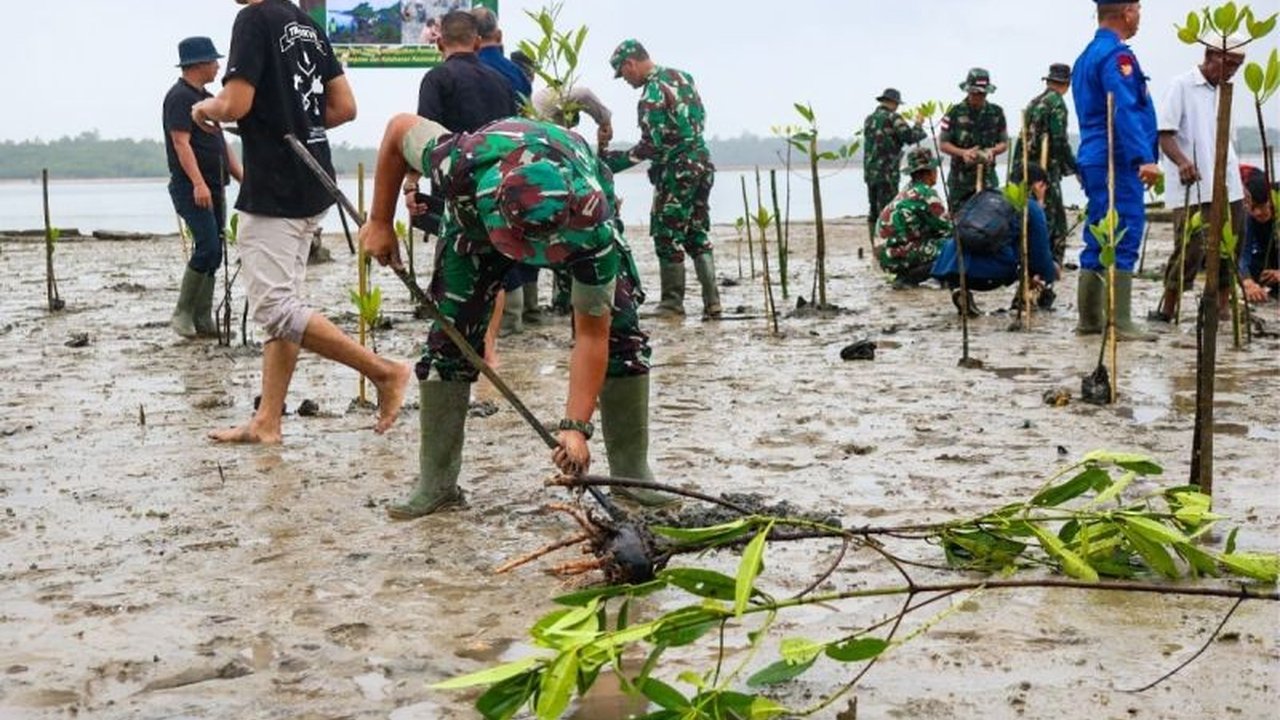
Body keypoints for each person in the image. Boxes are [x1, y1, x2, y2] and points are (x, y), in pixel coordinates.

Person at [360, 114, 660, 517]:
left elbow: (592, 336)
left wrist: (575, 427)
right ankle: (437, 483)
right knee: (450, 338)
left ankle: (631, 474)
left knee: (623, 333)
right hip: (475, 229)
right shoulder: (460, 162)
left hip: (574, 219)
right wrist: (380, 221)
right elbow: (398, 129)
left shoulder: (592, 221)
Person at [193, 0, 411, 444]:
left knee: (275, 308)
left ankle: (384, 372)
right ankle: (267, 420)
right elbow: (344, 107)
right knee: (285, 306)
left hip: (276, 182)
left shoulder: (253, 18)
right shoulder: (308, 25)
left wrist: (205, 109)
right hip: (312, 175)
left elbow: (235, 103)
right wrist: (288, 119)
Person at [605, 39, 722, 318]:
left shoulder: (651, 95)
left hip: (677, 170)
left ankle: (672, 304)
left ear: (631, 64)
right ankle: (713, 302)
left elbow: (650, 146)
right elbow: (696, 120)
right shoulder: (683, 77)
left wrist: (610, 164)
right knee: (696, 232)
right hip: (702, 163)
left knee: (666, 235)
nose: (625, 80)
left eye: (623, 74)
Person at [1072, 0, 1161, 339]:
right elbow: (1125, 108)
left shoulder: (1086, 56)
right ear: (1126, 12)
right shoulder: (1116, 56)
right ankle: (1119, 321)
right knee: (1123, 230)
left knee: (1098, 230)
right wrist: (1143, 158)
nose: (1139, 17)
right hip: (1116, 157)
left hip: (1095, 156)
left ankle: (1091, 320)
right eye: (1138, 9)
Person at [1148, 41, 1248, 322]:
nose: (1230, 72)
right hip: (1193, 182)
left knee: (1232, 244)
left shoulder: (1225, 91)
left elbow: (1227, 141)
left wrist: (1238, 181)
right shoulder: (1181, 85)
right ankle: (1168, 308)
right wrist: (1182, 161)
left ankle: (1222, 308)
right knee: (1190, 248)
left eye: (1237, 67)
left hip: (1228, 182)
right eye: (1227, 64)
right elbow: (1164, 134)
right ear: (1209, 55)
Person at [163, 36, 243, 339]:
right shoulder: (179, 97)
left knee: (216, 250)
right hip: (191, 187)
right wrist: (197, 183)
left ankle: (203, 316)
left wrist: (243, 179)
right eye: (213, 61)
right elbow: (181, 143)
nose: (217, 66)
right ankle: (182, 313)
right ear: (197, 64)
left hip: (215, 185)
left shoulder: (208, 97)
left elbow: (222, 144)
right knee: (206, 245)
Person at [931, 164, 1058, 314]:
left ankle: (959, 290)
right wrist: (1050, 275)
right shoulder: (1029, 205)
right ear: (1038, 185)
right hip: (990, 272)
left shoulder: (986, 194)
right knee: (1031, 260)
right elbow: (1040, 253)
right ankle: (1023, 300)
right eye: (1044, 188)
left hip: (949, 263)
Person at [1012, 63, 1079, 274]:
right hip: (1044, 174)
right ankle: (1047, 271)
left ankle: (1031, 267)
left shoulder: (1033, 103)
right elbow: (1059, 141)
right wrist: (1076, 168)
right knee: (1055, 224)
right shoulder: (1057, 104)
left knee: (1029, 217)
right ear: (1067, 84)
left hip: (1025, 172)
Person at [875, 147, 951, 287]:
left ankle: (907, 275)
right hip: (901, 255)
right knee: (953, 246)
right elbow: (947, 229)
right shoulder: (927, 194)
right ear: (930, 172)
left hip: (886, 256)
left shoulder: (907, 190)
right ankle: (912, 278)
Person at [863, 88, 927, 238]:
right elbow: (911, 137)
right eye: (897, 104)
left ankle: (874, 246)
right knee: (888, 211)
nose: (897, 107)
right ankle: (885, 247)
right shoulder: (893, 118)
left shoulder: (869, 119)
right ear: (892, 103)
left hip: (870, 172)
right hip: (887, 173)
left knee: (873, 211)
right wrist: (918, 124)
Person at [939, 68, 1008, 207]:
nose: (979, 96)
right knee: (959, 220)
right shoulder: (954, 113)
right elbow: (943, 144)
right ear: (968, 90)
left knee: (990, 218)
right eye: (975, 92)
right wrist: (963, 153)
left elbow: (1004, 143)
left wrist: (992, 151)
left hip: (988, 179)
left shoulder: (996, 112)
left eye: (982, 93)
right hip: (960, 182)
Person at [1240, 165, 1278, 303]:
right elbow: (1244, 253)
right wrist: (1247, 281)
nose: (1257, 213)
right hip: (1267, 259)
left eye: (1262, 206)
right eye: (1253, 207)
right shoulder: (1248, 217)